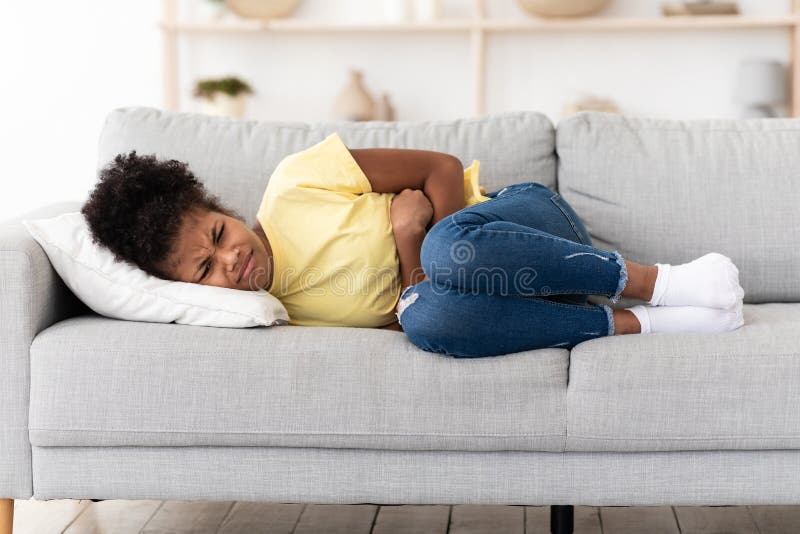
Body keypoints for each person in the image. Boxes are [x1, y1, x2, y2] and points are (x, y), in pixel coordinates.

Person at [81, 133, 744, 358]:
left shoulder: (295, 183)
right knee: (426, 318)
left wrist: (439, 234)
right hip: (521, 304)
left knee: (443, 256)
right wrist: (407, 244)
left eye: (220, 235)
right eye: (206, 268)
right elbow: (415, 301)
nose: (231, 259)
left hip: (524, 227)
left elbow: (440, 170)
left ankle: (657, 281)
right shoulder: (274, 312)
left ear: (223, 209)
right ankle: (642, 324)